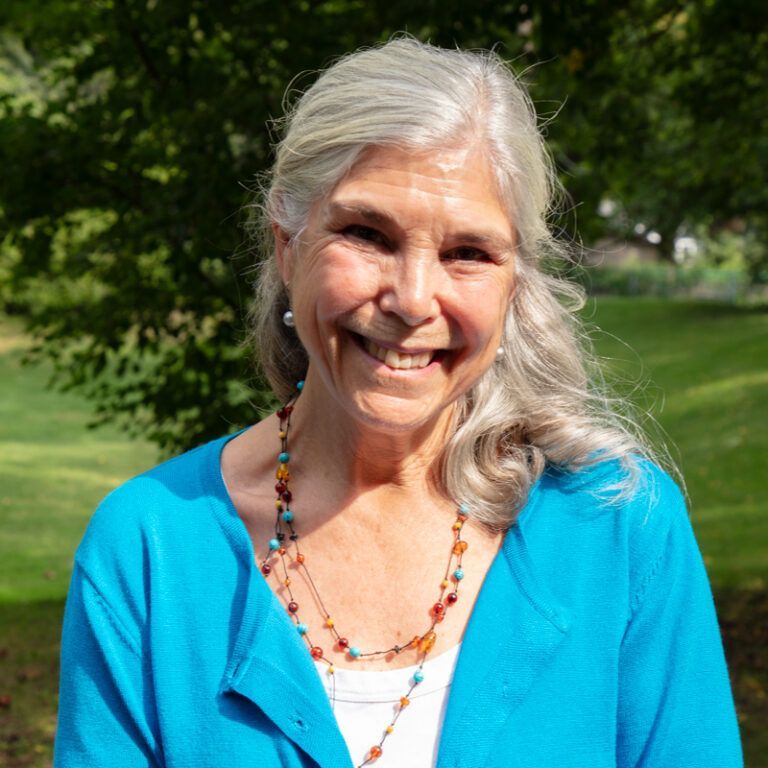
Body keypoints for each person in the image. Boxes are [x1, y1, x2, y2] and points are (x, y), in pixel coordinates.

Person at [53, 37, 742, 768]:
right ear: (287, 246)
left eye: (467, 253)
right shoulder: (150, 550)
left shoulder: (618, 529)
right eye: (367, 234)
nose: (413, 300)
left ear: (515, 283)